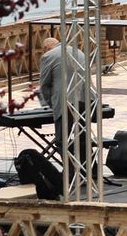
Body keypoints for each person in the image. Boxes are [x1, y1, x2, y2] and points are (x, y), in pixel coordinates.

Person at [38, 37, 94, 166]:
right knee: (83, 137)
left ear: (46, 48)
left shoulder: (48, 56)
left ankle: (71, 171)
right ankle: (91, 170)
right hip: (86, 100)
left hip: (65, 102)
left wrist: (50, 105)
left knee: (62, 140)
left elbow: (44, 85)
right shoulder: (78, 52)